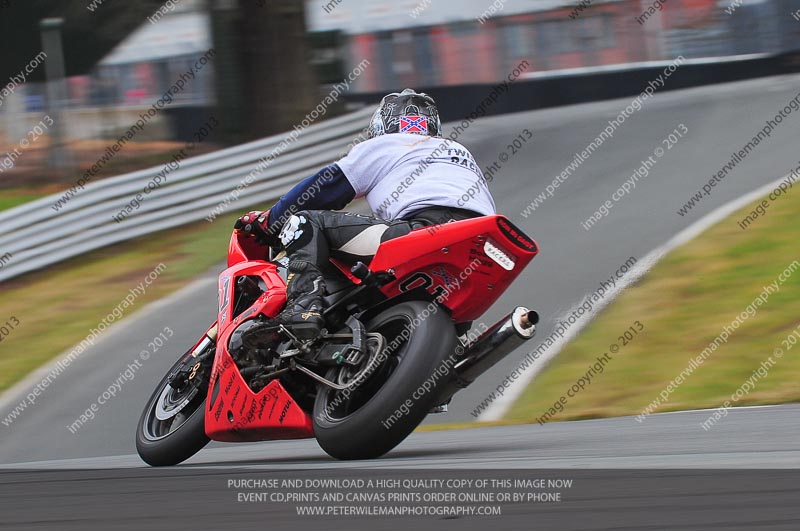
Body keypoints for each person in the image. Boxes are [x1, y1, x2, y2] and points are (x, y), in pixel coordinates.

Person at [235, 88, 495, 339]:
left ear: (381, 127)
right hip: (481, 246)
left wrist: (270, 220)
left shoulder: (384, 145)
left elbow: (322, 188)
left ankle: (303, 309)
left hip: (424, 230)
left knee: (305, 221)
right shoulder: (459, 152)